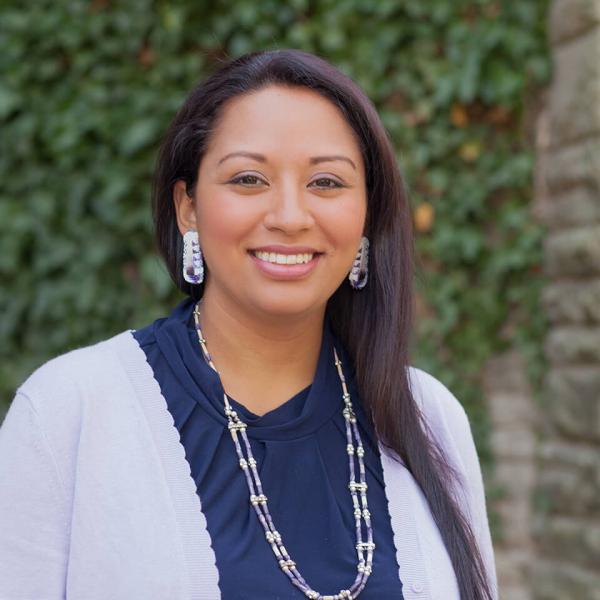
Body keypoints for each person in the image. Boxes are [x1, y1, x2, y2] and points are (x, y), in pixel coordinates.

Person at [0, 49, 498, 600]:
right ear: (188, 206)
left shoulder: (428, 417)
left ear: (366, 216)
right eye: (248, 178)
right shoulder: (70, 412)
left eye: (327, 182)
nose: (289, 216)